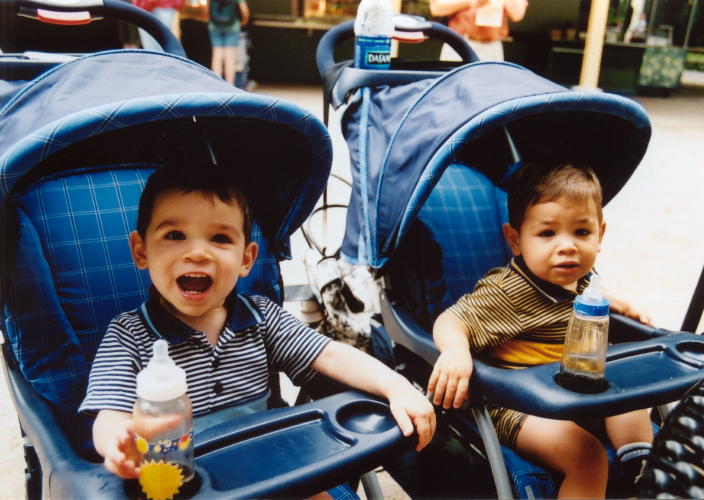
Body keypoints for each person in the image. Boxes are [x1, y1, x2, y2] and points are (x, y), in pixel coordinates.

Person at [78, 164, 435, 484]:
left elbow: (332, 356)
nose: (198, 252)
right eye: (174, 235)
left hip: (269, 470)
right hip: (184, 480)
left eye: (219, 238)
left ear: (246, 258)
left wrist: (396, 386)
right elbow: (109, 413)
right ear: (141, 251)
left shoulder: (261, 317)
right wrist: (119, 443)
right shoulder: (130, 335)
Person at [427, 161, 654, 498]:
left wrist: (612, 301)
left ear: (600, 234)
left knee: (631, 395)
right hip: (520, 405)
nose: (567, 246)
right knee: (587, 457)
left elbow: (583, 295)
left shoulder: (580, 279)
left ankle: (639, 469)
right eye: (547, 233)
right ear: (515, 240)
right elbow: (451, 319)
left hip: (573, 386)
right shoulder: (508, 292)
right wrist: (456, 350)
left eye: (581, 232)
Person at [429, 0, 528, 62]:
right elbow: (437, 8)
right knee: (453, 87)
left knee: (491, 90)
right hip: (459, 43)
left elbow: (517, 14)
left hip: (492, 45)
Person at [208, 0, 250, 84]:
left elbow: (206, 10)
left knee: (217, 55)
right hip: (232, 26)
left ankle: (216, 83)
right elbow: (245, 11)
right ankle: (229, 84)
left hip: (215, 26)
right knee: (230, 56)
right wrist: (243, 22)